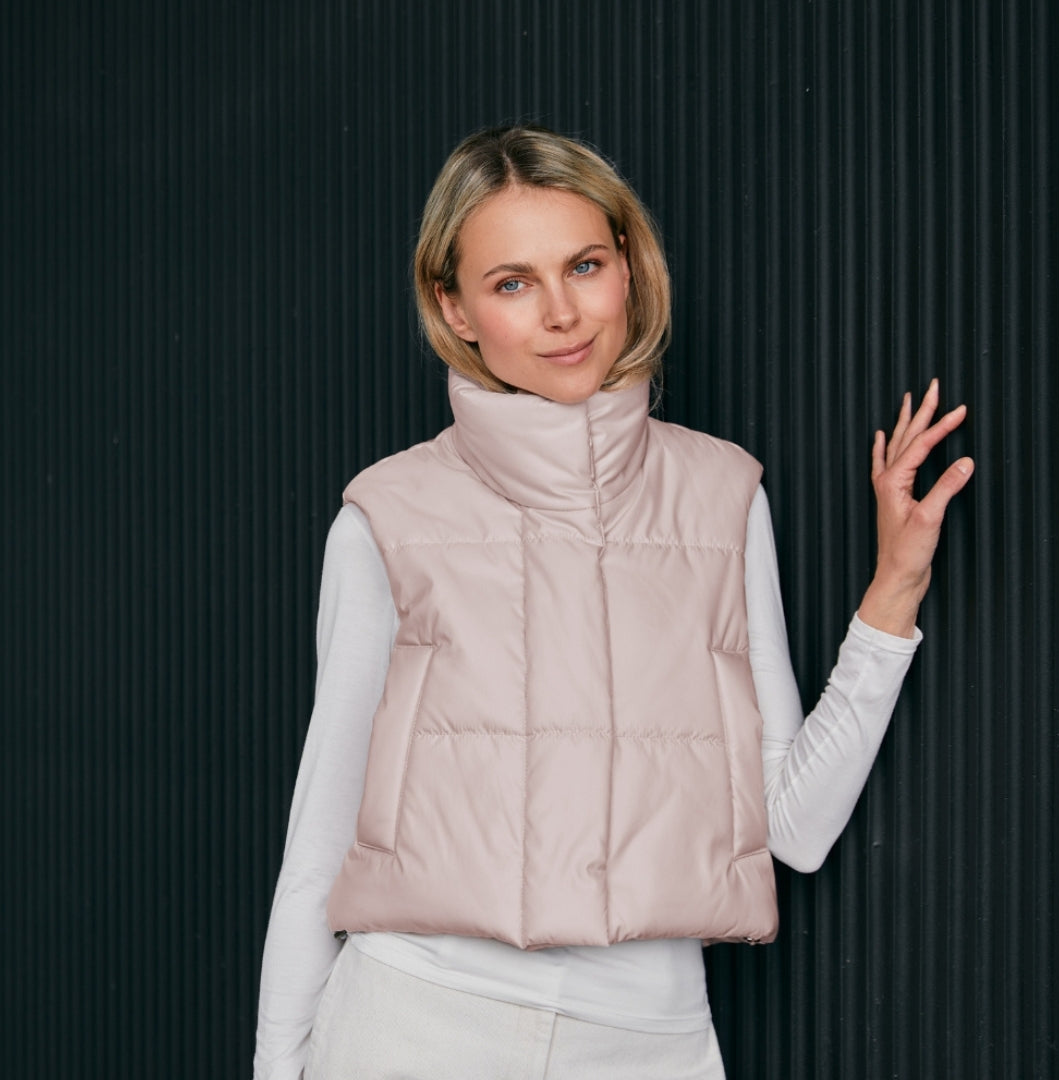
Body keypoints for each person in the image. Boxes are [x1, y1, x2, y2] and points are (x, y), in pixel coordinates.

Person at [253, 125, 973, 1080]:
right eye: (513, 283)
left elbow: (793, 833)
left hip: (651, 1042)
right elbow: (319, 843)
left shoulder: (722, 496)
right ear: (454, 307)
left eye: (584, 266)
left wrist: (897, 585)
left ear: (628, 266)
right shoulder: (386, 517)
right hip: (417, 1027)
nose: (562, 313)